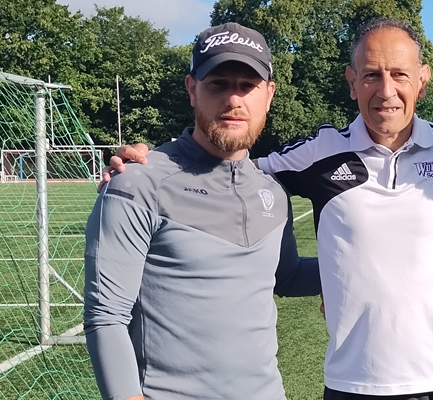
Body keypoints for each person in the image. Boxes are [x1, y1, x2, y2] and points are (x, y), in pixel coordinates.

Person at [102, 18, 433, 400]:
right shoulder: (316, 153)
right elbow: (230, 160)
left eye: (399, 75)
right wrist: (154, 157)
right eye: (371, 75)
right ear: (352, 82)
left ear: (421, 81)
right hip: (350, 385)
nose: (386, 90)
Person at [83, 22, 321, 400]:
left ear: (269, 94)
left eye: (247, 86)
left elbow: (287, 276)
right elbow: (106, 318)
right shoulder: (136, 182)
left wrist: (365, 265)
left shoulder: (272, 191)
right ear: (192, 89)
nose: (233, 99)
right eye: (218, 83)